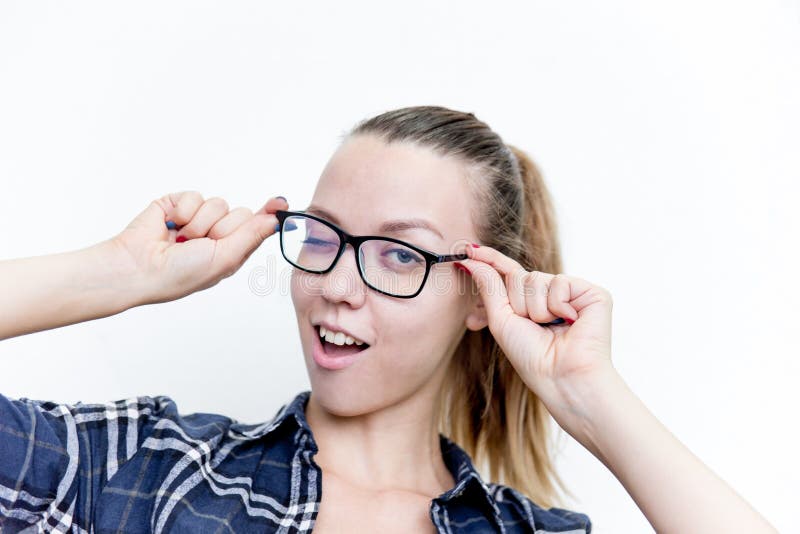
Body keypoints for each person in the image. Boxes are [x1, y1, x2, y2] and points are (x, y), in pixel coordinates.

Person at [0, 106, 776, 533]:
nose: (339, 284)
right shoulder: (146, 469)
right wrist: (116, 274)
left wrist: (590, 400)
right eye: (324, 237)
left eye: (401, 255)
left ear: (480, 297)